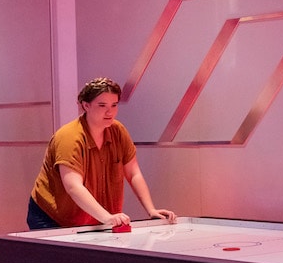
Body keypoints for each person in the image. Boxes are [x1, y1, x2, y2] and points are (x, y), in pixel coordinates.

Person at [28, 77, 176, 229]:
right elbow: (73, 186)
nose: (109, 111)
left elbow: (133, 173)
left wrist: (151, 210)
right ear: (86, 105)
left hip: (92, 217)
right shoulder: (69, 137)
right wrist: (107, 217)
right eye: (102, 105)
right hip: (52, 216)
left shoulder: (118, 131)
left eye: (114, 105)